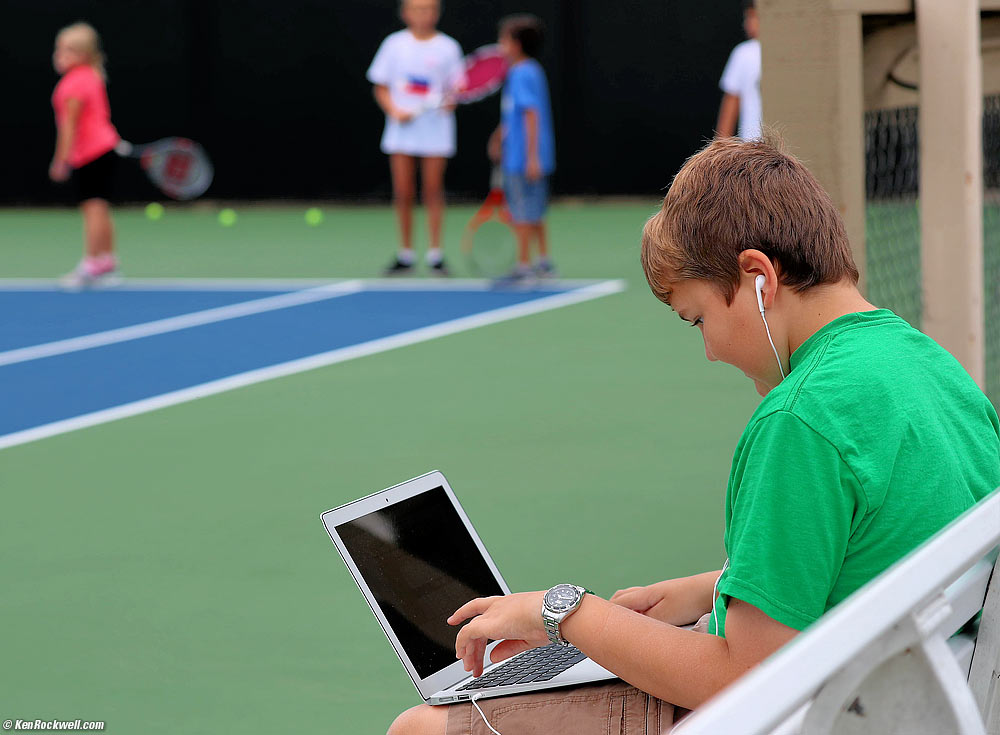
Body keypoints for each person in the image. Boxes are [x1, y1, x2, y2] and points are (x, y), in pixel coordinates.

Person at [387, 135, 1000, 734]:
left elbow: (743, 681)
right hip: (917, 686)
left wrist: (562, 611)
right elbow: (884, 546)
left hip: (826, 708)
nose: (708, 350)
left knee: (421, 726)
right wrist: (709, 590)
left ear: (759, 276)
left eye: (698, 317)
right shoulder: (931, 367)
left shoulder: (799, 421)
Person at [368, 0, 464, 277]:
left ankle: (436, 255)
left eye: (429, 8)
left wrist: (450, 103)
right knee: (403, 192)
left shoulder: (448, 47)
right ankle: (406, 254)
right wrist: (394, 110)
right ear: (405, 13)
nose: (423, 14)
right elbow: (381, 86)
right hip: (402, 131)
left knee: (433, 191)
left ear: (437, 12)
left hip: (436, 130)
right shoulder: (393, 45)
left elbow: (456, 91)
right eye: (417, 8)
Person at [50, 22, 122, 289]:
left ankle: (92, 264)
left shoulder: (73, 84)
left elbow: (69, 126)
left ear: (84, 55)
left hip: (91, 155)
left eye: (68, 50)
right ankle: (107, 261)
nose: (59, 55)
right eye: (59, 49)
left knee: (92, 208)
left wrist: (61, 160)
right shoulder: (92, 76)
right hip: (106, 150)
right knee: (100, 207)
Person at [488, 14, 556, 282]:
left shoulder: (521, 72)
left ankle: (524, 265)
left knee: (522, 212)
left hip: (522, 160)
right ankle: (543, 262)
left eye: (503, 39)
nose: (499, 44)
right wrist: (499, 135)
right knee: (535, 210)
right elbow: (517, 113)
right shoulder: (530, 70)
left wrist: (531, 157)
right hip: (526, 156)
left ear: (516, 44)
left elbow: (531, 115)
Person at [716, 1, 761, 140]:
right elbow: (731, 103)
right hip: (752, 148)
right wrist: (720, 149)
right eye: (747, 17)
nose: (747, 24)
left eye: (753, 17)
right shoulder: (743, 53)